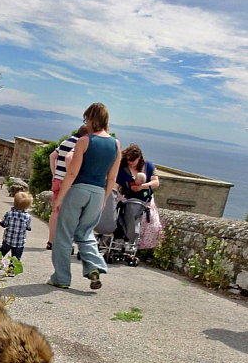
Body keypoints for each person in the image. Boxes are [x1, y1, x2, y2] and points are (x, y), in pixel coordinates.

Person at [48, 103, 120, 290]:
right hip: (98, 193)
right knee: (86, 233)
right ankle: (94, 266)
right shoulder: (115, 144)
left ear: (91, 119)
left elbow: (72, 173)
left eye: (86, 119)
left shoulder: (84, 141)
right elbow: (112, 177)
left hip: (78, 190)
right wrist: (104, 199)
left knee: (63, 234)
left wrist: (60, 197)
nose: (85, 123)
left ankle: (61, 278)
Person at [46, 124, 88, 250]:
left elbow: (52, 156)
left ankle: (51, 241)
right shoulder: (79, 144)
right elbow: (70, 159)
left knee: (55, 212)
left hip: (57, 180)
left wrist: (55, 174)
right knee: (69, 214)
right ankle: (64, 243)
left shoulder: (65, 142)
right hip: (68, 182)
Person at [117, 144, 162, 249]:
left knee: (149, 226)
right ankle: (125, 244)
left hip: (145, 201)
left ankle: (139, 247)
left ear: (139, 158)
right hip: (128, 200)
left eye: (133, 160)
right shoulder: (123, 169)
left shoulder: (148, 165)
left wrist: (143, 187)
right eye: (129, 160)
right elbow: (117, 184)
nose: (130, 163)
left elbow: (156, 182)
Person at [0, 190, 33, 274]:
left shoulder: (9, 214)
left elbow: (4, 225)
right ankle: (11, 271)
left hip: (8, 239)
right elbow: (28, 228)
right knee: (16, 257)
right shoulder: (27, 217)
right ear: (26, 207)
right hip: (20, 242)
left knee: (2, 251)